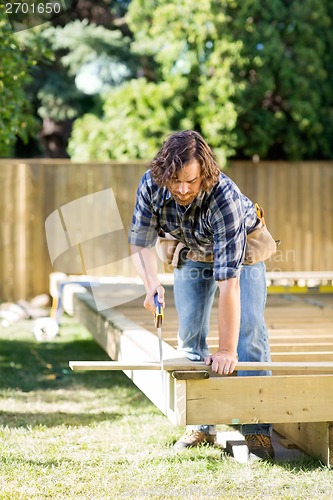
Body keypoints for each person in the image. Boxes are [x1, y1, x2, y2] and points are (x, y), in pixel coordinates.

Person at [128, 130, 274, 460]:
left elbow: (229, 285)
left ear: (204, 173)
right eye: (175, 181)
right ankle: (201, 425)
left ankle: (256, 429)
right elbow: (140, 240)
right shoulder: (150, 184)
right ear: (163, 173)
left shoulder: (224, 196)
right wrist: (150, 284)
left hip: (242, 250)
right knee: (190, 332)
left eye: (190, 181)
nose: (182, 189)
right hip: (192, 248)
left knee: (249, 330)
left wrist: (226, 349)